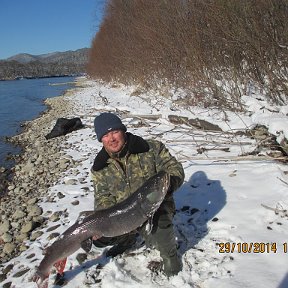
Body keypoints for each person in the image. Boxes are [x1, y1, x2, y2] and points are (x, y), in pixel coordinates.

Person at [91, 112, 185, 277]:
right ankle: (127, 238)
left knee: (159, 226)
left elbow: (175, 169)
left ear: (123, 131)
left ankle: (170, 256)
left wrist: (168, 186)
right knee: (99, 238)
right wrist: (102, 221)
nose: (111, 138)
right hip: (124, 216)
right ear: (101, 140)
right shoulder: (100, 168)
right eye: (105, 135)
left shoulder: (152, 148)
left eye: (114, 132)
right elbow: (103, 198)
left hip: (154, 208)